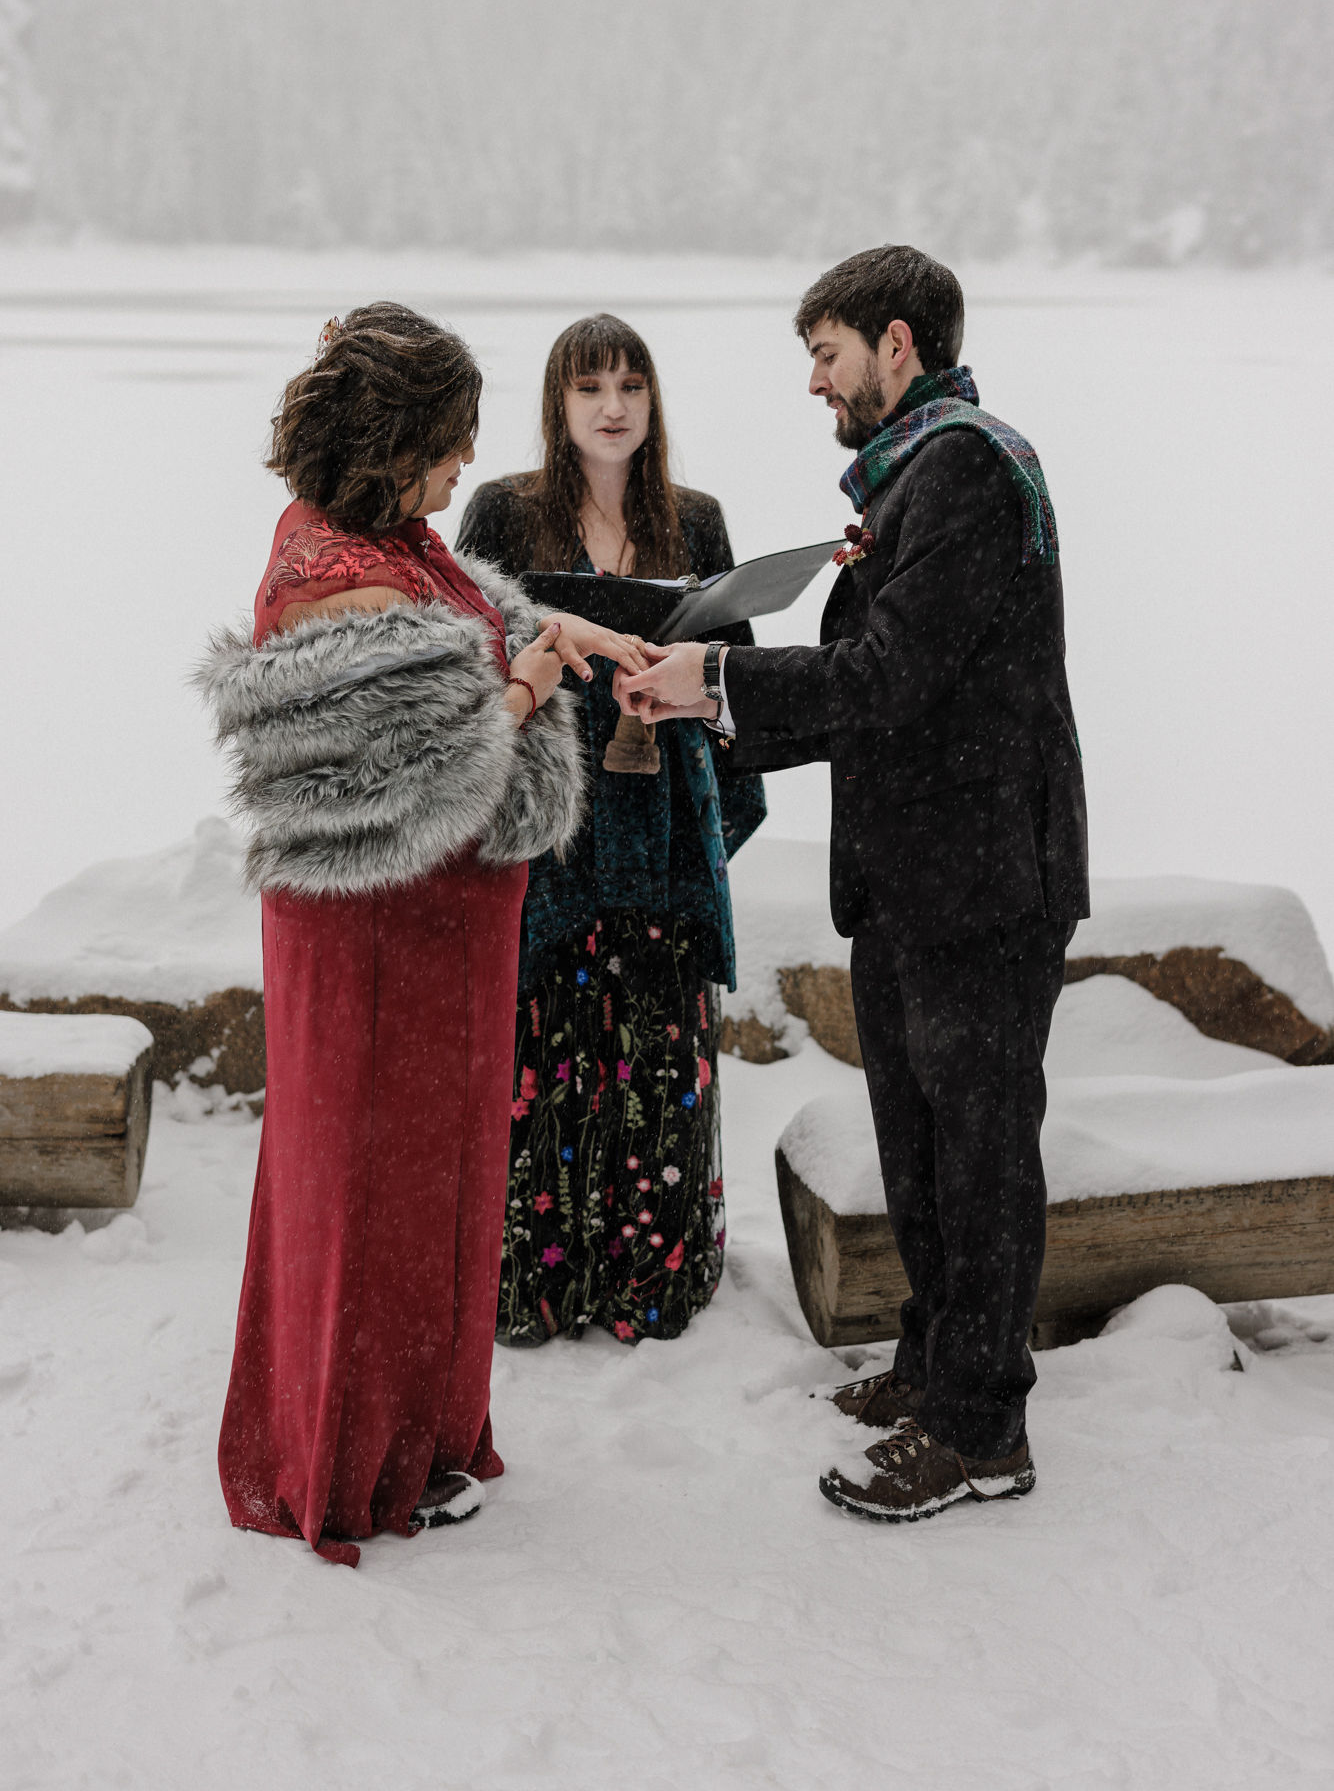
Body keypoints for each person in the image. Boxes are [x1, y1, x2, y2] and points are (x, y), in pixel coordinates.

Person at [615, 247, 1088, 1520]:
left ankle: (983, 1427)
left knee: (981, 1158)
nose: (814, 384)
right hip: (915, 878)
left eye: (824, 356)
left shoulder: (971, 467)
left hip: (985, 884)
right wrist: (718, 686)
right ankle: (933, 1363)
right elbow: (878, 679)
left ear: (895, 341)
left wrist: (707, 684)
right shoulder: (913, 475)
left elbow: (887, 676)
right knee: (921, 1145)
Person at [196, 303, 645, 1565]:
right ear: (395, 439)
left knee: (432, 1189)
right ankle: (353, 1463)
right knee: (369, 1198)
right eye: (451, 442)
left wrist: (559, 635)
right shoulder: (344, 580)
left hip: (436, 935)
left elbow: (469, 632)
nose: (463, 468)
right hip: (379, 944)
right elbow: (432, 766)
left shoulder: (378, 537)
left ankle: (422, 1430)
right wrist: (527, 684)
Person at [457, 313, 766, 1345]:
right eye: (590, 385)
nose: (612, 405)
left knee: (654, 1050)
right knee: (541, 1047)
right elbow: (464, 650)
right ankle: (541, 1279)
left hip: (660, 827)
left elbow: (736, 686)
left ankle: (648, 1272)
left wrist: (685, 697)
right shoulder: (503, 512)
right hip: (555, 826)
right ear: (557, 401)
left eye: (631, 383)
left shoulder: (697, 518)